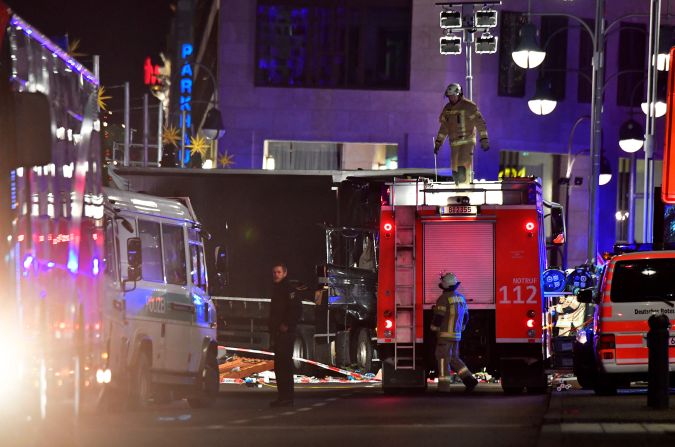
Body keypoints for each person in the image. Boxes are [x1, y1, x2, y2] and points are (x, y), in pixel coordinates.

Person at [430, 272, 478, 392]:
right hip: (456, 335)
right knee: (454, 358)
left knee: (443, 359)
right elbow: (466, 316)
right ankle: (469, 380)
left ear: (445, 286)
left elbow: (439, 317)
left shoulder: (443, 298)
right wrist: (462, 326)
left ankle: (443, 387)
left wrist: (433, 328)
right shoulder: (461, 298)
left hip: (444, 336)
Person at [433, 83, 489, 185]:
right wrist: (438, 143)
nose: (451, 98)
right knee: (455, 172)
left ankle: (465, 191)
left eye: (453, 96)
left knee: (462, 168)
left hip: (467, 141)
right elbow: (444, 128)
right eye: (449, 96)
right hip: (454, 144)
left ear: (459, 94)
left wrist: (484, 138)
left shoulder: (469, 106)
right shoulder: (447, 109)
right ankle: (458, 190)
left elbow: (480, 122)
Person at [268, 263, 302, 407]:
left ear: (285, 273)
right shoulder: (277, 290)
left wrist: (287, 325)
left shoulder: (289, 289)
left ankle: (287, 397)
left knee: (285, 366)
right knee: (279, 366)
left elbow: (296, 309)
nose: (276, 275)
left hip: (286, 333)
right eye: (274, 272)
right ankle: (282, 396)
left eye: (279, 272)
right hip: (277, 333)